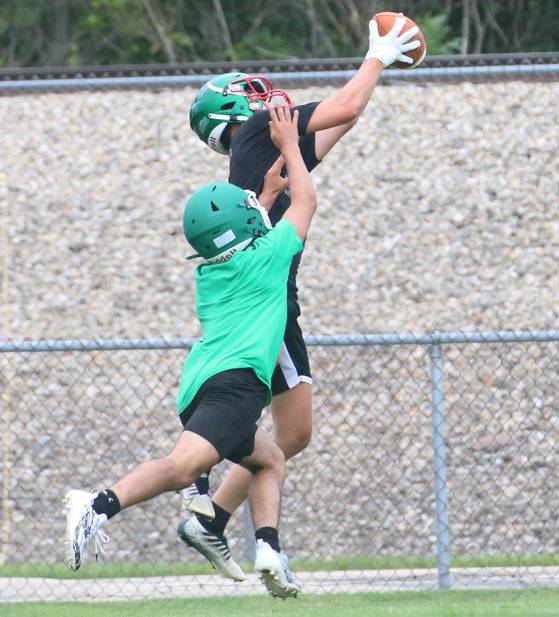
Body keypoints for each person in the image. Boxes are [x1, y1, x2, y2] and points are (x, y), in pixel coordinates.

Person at [177, 15, 421, 581]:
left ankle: (209, 514)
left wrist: (365, 86)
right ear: (235, 107)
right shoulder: (260, 128)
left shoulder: (260, 147)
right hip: (272, 302)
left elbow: (336, 128)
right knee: (275, 428)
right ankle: (207, 503)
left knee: (292, 432)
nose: (262, 92)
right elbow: (342, 109)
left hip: (270, 297)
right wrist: (379, 54)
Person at [65, 104, 316, 599]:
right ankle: (97, 503)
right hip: (237, 386)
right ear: (247, 227)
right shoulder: (268, 258)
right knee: (181, 468)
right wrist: (290, 144)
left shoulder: (211, 270)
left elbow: (246, 235)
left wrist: (263, 197)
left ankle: (268, 549)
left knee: (268, 460)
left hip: (198, 385)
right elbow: (306, 200)